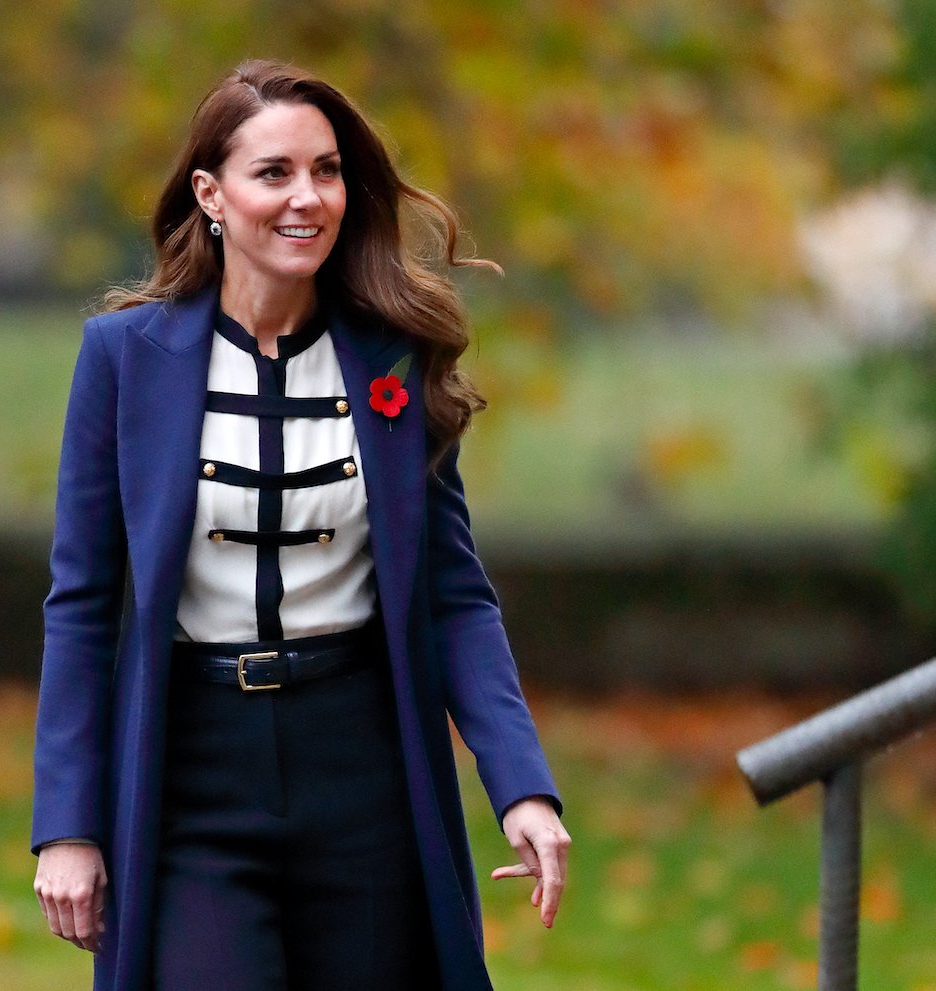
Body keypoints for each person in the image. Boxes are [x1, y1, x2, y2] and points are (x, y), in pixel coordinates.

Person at [31, 59, 570, 991]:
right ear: (211, 193)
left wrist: (521, 783)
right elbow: (81, 603)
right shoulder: (125, 360)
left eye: (326, 171)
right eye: (273, 172)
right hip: (193, 774)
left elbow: (453, 595)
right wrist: (69, 826)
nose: (308, 198)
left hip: (363, 770)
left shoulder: (391, 358)